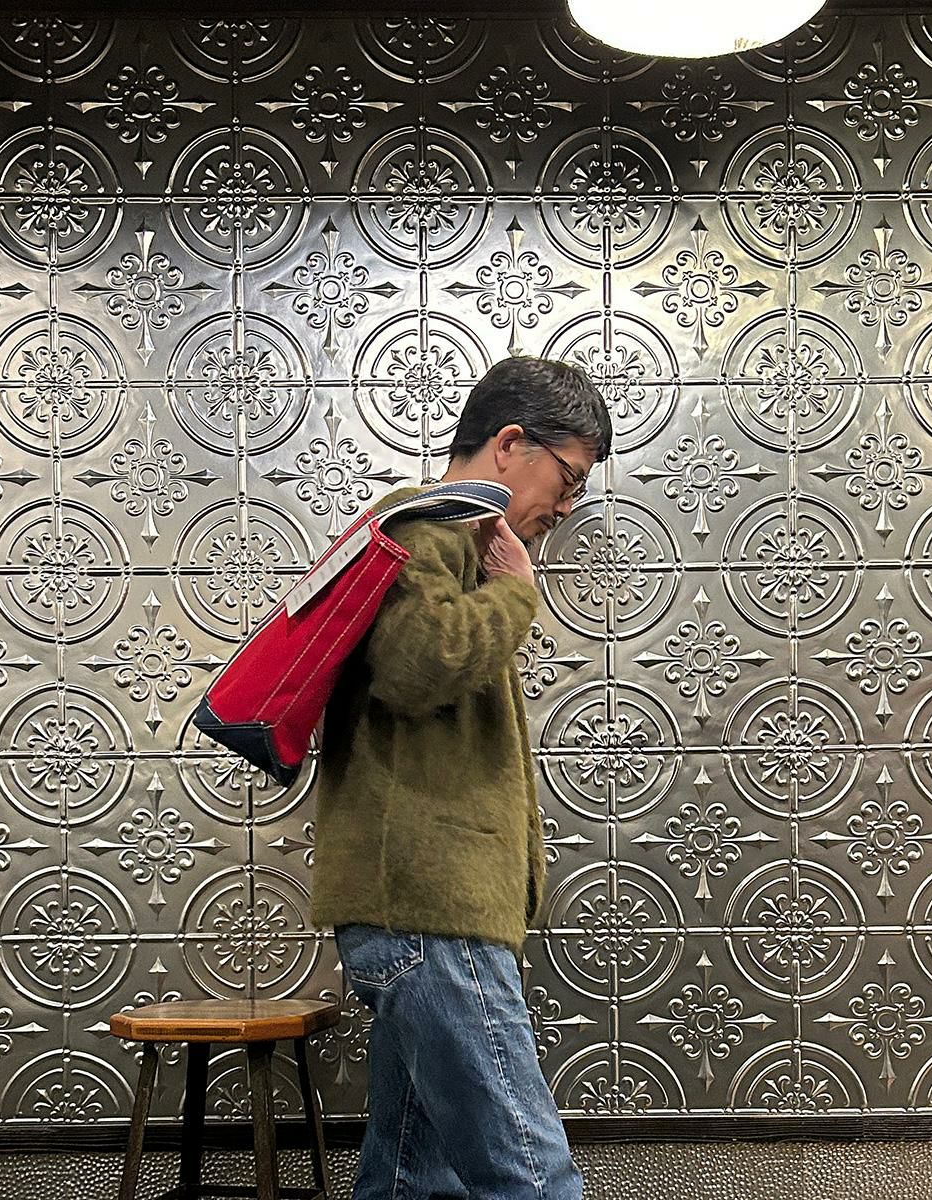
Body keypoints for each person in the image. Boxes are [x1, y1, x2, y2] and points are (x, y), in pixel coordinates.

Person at [313, 355, 613, 1200]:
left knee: (409, 1177)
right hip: (431, 912)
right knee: (530, 1175)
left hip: (420, 911)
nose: (566, 505)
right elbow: (420, 662)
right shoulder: (430, 526)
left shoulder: (451, 537)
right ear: (511, 443)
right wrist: (517, 596)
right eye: (569, 478)